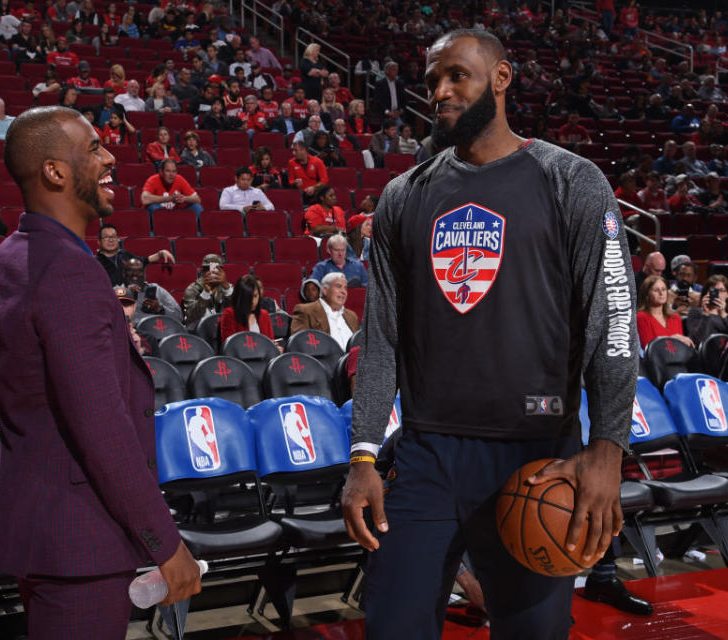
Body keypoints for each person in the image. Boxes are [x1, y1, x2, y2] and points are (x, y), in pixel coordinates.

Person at [342, 31, 636, 640]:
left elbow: (614, 326)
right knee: (392, 629)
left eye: (457, 76)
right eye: (431, 82)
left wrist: (607, 449)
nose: (441, 92)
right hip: (424, 455)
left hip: (533, 452)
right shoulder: (403, 196)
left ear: (502, 78)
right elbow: (381, 341)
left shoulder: (572, 181)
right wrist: (364, 454)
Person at [0, 107, 200, 636]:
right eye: (95, 148)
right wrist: (164, 543)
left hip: (40, 523)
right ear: (55, 171)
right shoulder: (70, 271)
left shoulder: (7, 257)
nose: (110, 157)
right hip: (80, 538)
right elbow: (100, 426)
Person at [291, 272, 359, 349]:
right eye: (338, 286)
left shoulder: (352, 316)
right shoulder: (306, 311)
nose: (343, 291)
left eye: (345, 288)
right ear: (325, 290)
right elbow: (298, 344)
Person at [95, 223, 173, 286]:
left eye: (114, 236)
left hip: (131, 296)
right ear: (99, 241)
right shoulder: (94, 262)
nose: (111, 240)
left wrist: (161, 253)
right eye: (106, 237)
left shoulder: (124, 254)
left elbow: (144, 260)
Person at [685, 275, 728, 347]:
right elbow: (697, 341)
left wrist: (724, 315)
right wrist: (706, 314)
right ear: (706, 293)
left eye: (721, 291)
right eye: (713, 290)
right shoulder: (696, 312)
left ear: (727, 294)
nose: (718, 295)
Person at [636, 275, 692, 349]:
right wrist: (673, 338)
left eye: (663, 289)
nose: (661, 293)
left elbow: (679, 347)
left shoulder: (675, 317)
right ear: (647, 295)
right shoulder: (641, 317)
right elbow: (648, 347)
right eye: (656, 290)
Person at [121, 257, 182, 324]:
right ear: (124, 273)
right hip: (128, 332)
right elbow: (110, 317)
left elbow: (179, 316)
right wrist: (127, 296)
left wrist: (159, 309)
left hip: (155, 331)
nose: (135, 274)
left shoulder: (157, 290)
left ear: (144, 274)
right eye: (130, 271)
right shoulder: (115, 292)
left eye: (139, 271)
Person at [183, 254, 233, 326]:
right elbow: (191, 317)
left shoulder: (227, 288)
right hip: (199, 330)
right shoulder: (192, 289)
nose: (212, 273)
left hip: (222, 328)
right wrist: (205, 293)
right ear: (202, 272)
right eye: (208, 269)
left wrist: (227, 289)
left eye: (216, 269)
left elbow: (238, 311)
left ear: (222, 272)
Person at [219, 274, 273, 339]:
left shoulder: (264, 314)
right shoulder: (229, 313)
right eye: (248, 298)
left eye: (255, 296)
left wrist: (274, 346)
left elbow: (270, 340)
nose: (253, 301)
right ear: (240, 297)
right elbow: (230, 345)